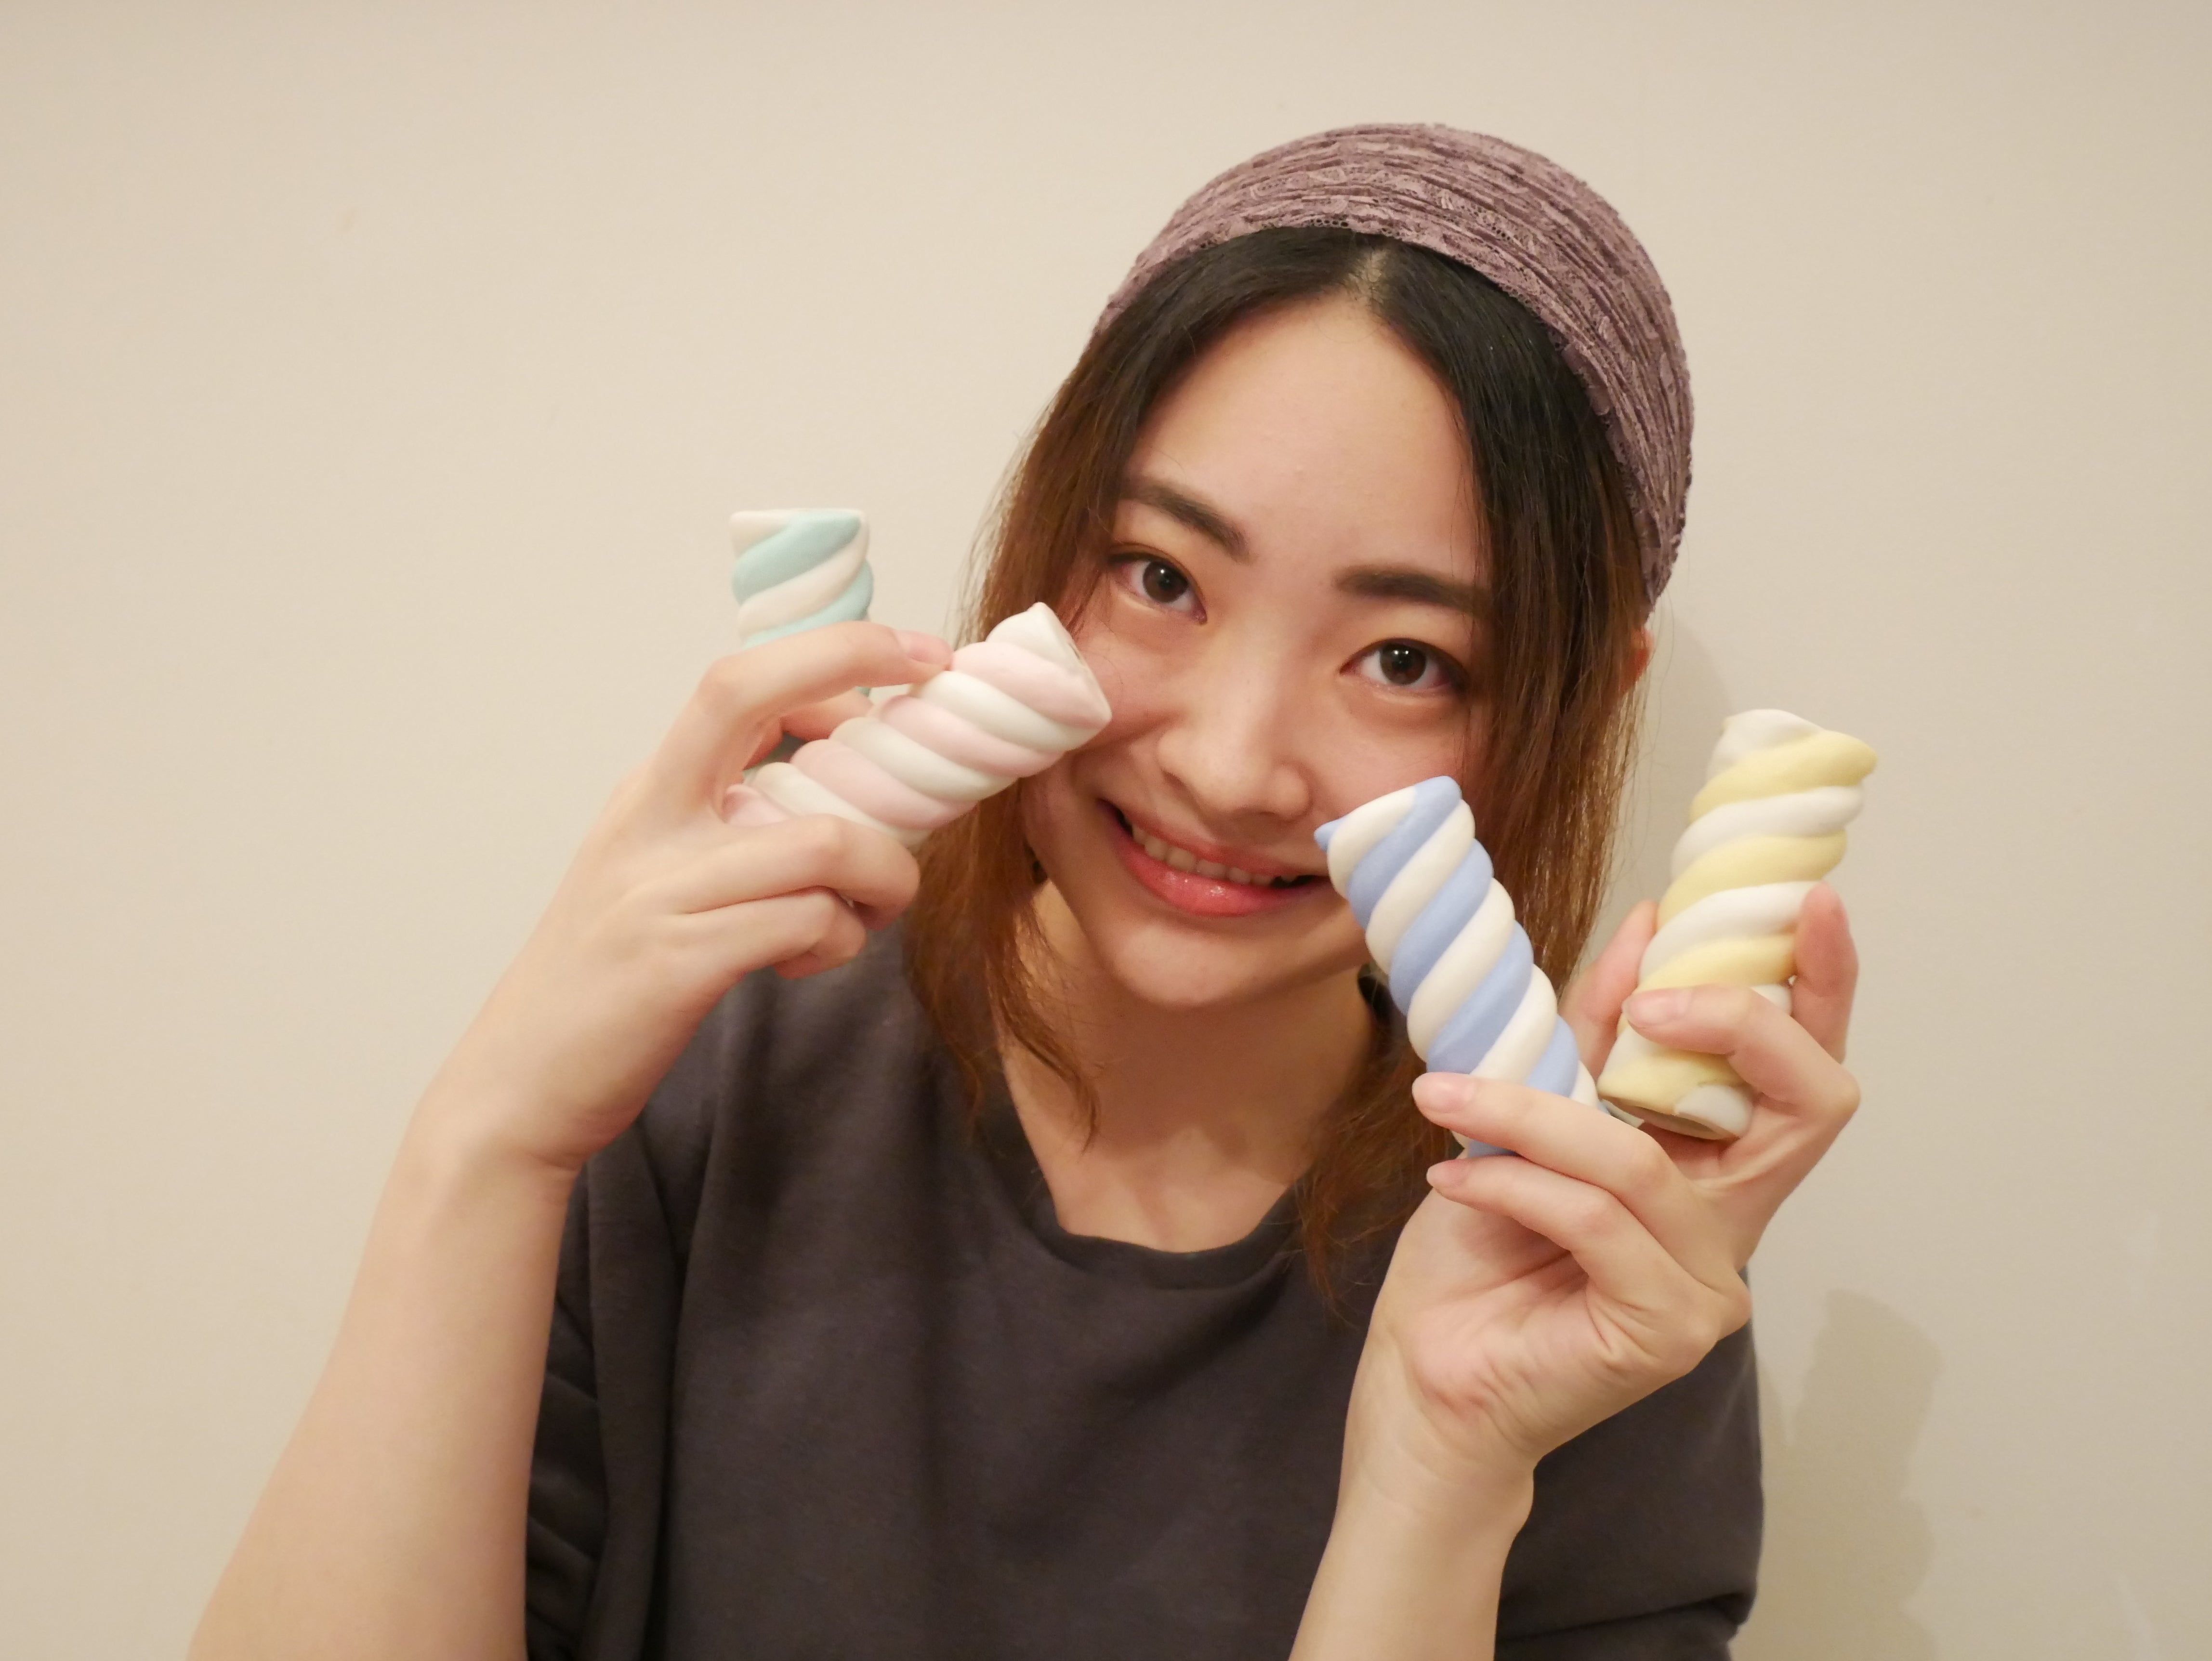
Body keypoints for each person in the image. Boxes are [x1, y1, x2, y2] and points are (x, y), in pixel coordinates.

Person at [191, 126, 1860, 1661]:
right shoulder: (702, 1073)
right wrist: (486, 1137)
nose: (1229, 763)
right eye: (1161, 576)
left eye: (1407, 659)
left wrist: (1444, 1469)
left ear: (1578, 704)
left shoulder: (1588, 1273)